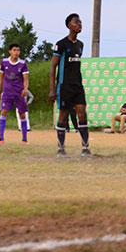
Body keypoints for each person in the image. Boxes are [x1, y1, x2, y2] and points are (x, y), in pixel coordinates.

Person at [48, 13, 91, 157]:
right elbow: (53, 66)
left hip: (77, 86)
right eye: (76, 22)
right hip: (64, 85)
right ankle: (61, 149)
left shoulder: (80, 45)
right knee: (63, 115)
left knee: (82, 113)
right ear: (69, 26)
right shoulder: (61, 44)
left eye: (81, 23)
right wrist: (52, 89)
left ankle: (85, 149)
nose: (80, 25)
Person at [0, 43, 30, 144]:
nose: (16, 52)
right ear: (10, 51)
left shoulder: (23, 63)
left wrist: (25, 89)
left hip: (19, 93)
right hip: (7, 92)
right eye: (14, 50)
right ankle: (1, 137)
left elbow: (26, 79)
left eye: (18, 50)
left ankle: (24, 138)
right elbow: (1, 77)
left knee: (22, 114)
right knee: (3, 111)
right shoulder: (4, 62)